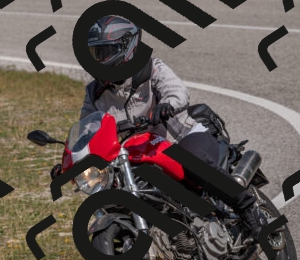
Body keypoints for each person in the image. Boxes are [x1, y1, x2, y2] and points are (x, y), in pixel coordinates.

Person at [79, 15, 267, 238]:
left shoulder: (150, 68)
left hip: (180, 137)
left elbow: (177, 91)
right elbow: (87, 129)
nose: (99, 59)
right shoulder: (95, 92)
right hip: (137, 152)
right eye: (96, 53)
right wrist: (72, 160)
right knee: (113, 186)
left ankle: (247, 208)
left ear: (126, 47)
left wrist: (167, 105)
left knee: (191, 160)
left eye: (105, 51)